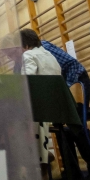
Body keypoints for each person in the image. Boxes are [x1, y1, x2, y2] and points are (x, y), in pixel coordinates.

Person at [39, 37, 90, 180]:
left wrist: (68, 89)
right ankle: (72, 173)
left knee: (77, 127)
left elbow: (71, 64)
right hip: (60, 90)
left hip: (76, 81)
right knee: (60, 129)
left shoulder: (43, 47)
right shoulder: (28, 55)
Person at [19, 29, 62, 170]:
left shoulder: (28, 55)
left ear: (24, 45)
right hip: (56, 106)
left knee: (12, 122)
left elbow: (26, 82)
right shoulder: (50, 55)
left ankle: (32, 164)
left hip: (39, 109)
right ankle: (44, 159)